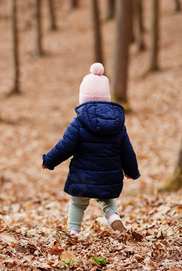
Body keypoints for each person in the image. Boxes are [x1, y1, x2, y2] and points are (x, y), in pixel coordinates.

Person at [42, 62, 140, 235]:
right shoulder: (118, 124)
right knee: (107, 201)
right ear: (107, 97)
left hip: (83, 177)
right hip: (109, 175)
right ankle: (112, 217)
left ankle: (73, 230)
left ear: (83, 97)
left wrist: (49, 161)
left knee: (77, 203)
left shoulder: (79, 122)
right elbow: (127, 151)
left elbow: (65, 146)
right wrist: (132, 171)